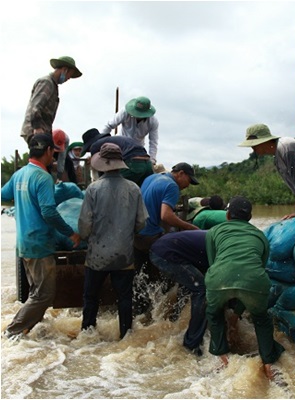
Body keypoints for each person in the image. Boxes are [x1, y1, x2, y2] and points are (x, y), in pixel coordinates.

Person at [2, 134, 81, 339]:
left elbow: (3, 195)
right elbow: (49, 211)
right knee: (44, 295)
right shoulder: (43, 177)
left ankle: (30, 333)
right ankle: (12, 332)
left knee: (36, 292)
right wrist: (70, 232)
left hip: (24, 243)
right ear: (48, 151)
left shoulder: (19, 174)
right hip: (39, 244)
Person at [204, 196, 285, 380]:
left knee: (214, 313)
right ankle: (268, 365)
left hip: (219, 280)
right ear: (250, 217)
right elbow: (258, 268)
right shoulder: (260, 235)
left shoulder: (213, 232)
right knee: (261, 318)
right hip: (254, 283)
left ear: (227, 215)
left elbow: (213, 262)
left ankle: (222, 358)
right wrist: (239, 310)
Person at [78, 143, 148, 339]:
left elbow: (84, 225)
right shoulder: (133, 189)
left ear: (102, 164)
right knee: (125, 298)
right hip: (124, 255)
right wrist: (126, 232)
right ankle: (126, 336)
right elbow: (142, 222)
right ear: (119, 164)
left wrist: (88, 238)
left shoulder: (93, 189)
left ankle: (87, 335)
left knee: (90, 298)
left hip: (97, 256)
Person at [133, 162, 200, 314]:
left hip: (136, 235)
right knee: (182, 257)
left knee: (140, 275)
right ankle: (172, 306)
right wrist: (189, 227)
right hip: (150, 236)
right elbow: (166, 215)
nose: (188, 185)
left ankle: (142, 310)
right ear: (181, 174)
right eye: (189, 180)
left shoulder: (152, 178)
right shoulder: (172, 186)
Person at [149, 230, 210, 356]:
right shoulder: (224, 248)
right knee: (201, 289)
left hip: (162, 248)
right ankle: (192, 345)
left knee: (191, 284)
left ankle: (173, 320)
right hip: (167, 253)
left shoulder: (220, 237)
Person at [238, 123, 295, 219]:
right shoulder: (277, 153)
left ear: (264, 141)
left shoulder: (285, 148)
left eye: (255, 145)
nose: (253, 149)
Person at [20, 56, 83, 144]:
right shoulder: (47, 82)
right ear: (64, 69)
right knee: (40, 155)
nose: (69, 78)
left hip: (44, 130)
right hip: (35, 129)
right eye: (69, 75)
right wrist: (37, 128)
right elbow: (35, 107)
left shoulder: (53, 86)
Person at [81, 128, 154, 187]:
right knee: (141, 194)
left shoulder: (95, 145)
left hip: (133, 164)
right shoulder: (115, 140)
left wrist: (101, 184)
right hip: (147, 163)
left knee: (112, 188)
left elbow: (100, 169)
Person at [100, 96, 159, 164]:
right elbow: (109, 126)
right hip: (120, 145)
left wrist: (152, 160)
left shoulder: (153, 121)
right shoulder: (125, 112)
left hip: (137, 149)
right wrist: (101, 146)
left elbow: (153, 141)